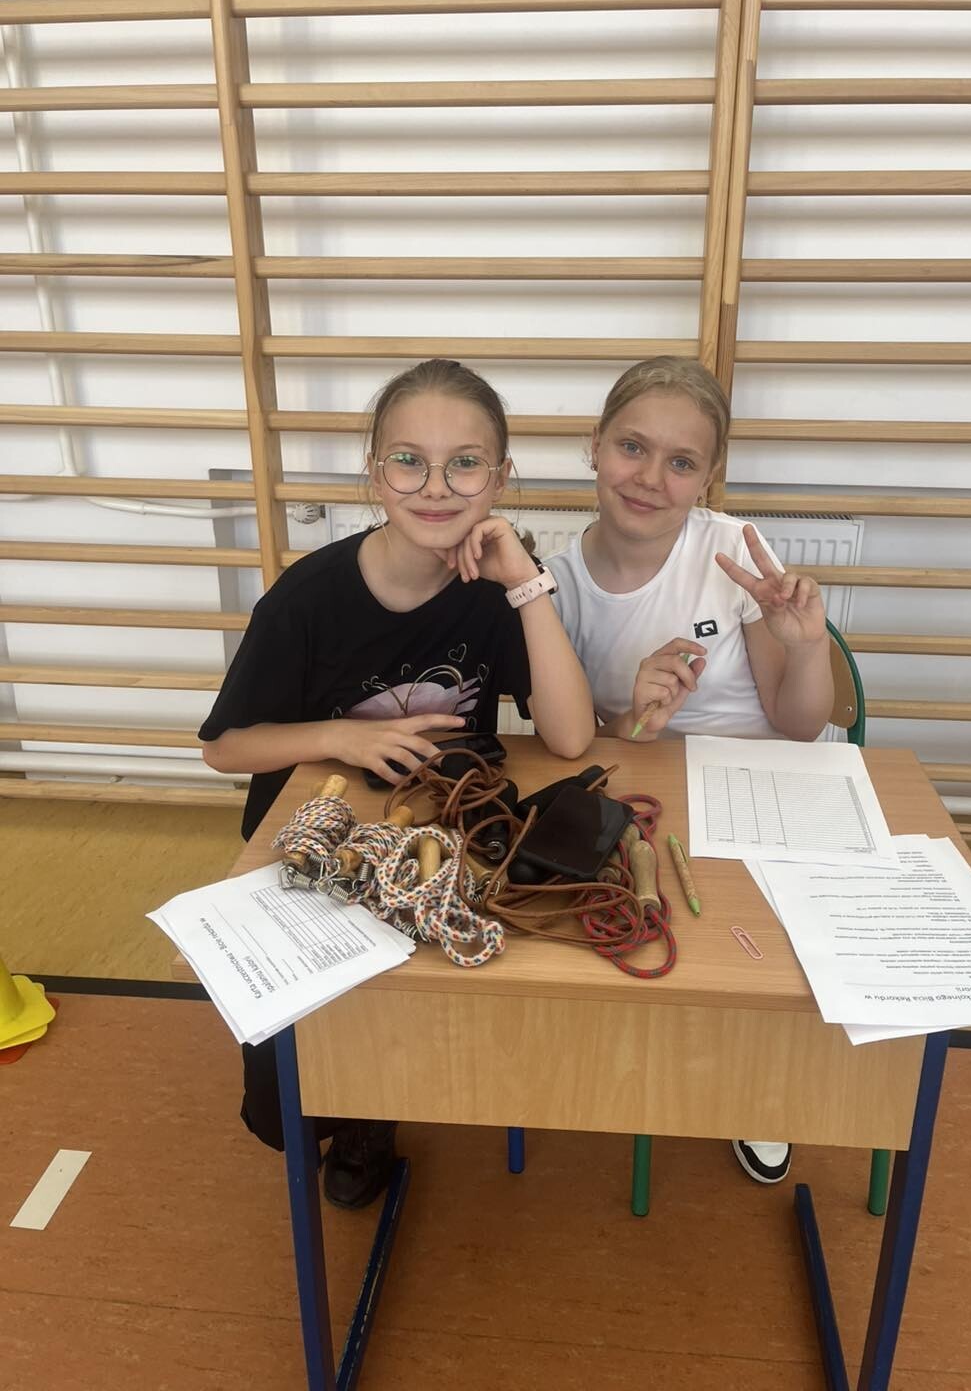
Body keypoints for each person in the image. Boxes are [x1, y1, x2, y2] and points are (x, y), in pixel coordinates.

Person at [200, 358, 594, 1208]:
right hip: (316, 841)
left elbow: (569, 737)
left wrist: (525, 582)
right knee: (312, 1042)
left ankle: (417, 1086)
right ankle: (357, 1117)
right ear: (374, 473)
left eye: (465, 463)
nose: (437, 486)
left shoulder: (493, 593)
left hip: (437, 833)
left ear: (501, 477)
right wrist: (342, 735)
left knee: (488, 968)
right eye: (409, 461)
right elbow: (226, 749)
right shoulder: (307, 599)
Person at [550, 355, 834, 1185]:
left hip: (762, 785)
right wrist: (630, 718)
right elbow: (580, 744)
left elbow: (799, 724)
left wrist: (807, 647)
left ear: (707, 476)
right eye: (632, 447)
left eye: (681, 462)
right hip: (648, 786)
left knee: (766, 947)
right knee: (616, 922)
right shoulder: (557, 584)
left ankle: (758, 1074)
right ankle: (645, 1057)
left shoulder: (729, 550)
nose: (650, 478)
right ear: (594, 445)